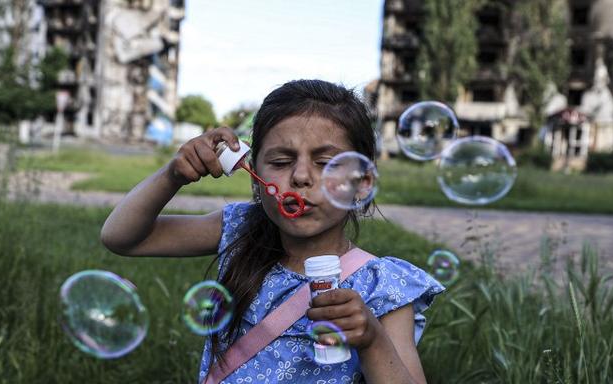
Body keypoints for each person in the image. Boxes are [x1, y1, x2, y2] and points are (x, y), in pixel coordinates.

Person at [101, 79, 444, 383]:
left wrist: (372, 339)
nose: (300, 177)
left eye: (326, 163)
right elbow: (122, 237)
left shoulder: (382, 286)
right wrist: (173, 175)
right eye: (281, 162)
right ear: (255, 175)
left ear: (361, 182)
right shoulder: (239, 231)